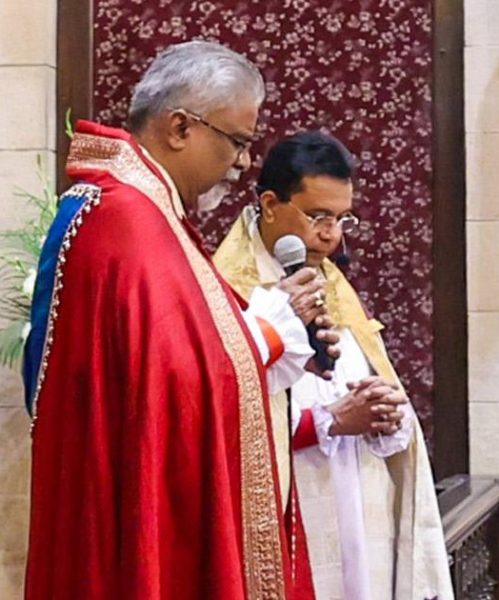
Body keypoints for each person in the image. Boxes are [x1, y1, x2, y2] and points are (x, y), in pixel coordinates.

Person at [22, 41, 338, 599]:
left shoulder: (145, 210)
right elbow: (168, 386)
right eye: (238, 142)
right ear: (180, 127)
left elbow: (179, 354)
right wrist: (270, 331)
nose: (242, 163)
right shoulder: (126, 218)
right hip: (118, 510)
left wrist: (275, 326)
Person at [214, 131, 454, 600]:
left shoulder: (332, 284)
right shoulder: (227, 291)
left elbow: (363, 384)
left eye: (343, 219)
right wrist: (329, 422)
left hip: (360, 504)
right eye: (318, 216)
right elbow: (220, 423)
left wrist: (386, 414)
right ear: (269, 204)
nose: (331, 234)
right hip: (292, 504)